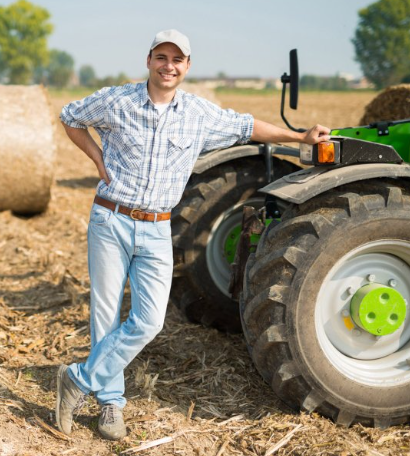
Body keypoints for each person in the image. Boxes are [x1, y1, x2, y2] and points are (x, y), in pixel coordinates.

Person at [55, 29, 330, 440]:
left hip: (157, 227)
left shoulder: (198, 113)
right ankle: (110, 402)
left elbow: (248, 125)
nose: (169, 66)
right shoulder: (117, 100)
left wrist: (299, 137)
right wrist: (96, 156)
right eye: (161, 57)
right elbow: (70, 117)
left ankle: (77, 378)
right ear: (148, 60)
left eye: (177, 60)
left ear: (187, 66)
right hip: (111, 220)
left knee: (148, 321)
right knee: (106, 316)